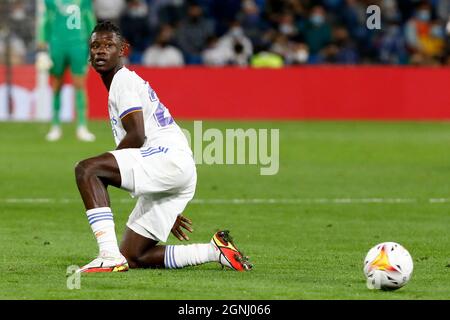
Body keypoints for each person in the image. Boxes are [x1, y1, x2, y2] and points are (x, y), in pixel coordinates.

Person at [75, 21, 252, 273]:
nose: (100, 51)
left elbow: (136, 135)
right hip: (174, 167)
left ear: (123, 49)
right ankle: (215, 250)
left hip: (166, 160)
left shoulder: (122, 82)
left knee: (87, 170)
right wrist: (157, 189)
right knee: (134, 255)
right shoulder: (123, 82)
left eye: (108, 45)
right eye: (95, 46)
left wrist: (116, 171)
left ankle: (107, 254)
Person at [37, 0, 96, 142]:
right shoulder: (50, 1)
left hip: (78, 44)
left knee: (79, 85)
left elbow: (89, 19)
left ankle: (82, 126)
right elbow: (46, 20)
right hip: (57, 44)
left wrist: (94, 44)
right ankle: (55, 126)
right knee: (57, 84)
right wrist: (42, 48)